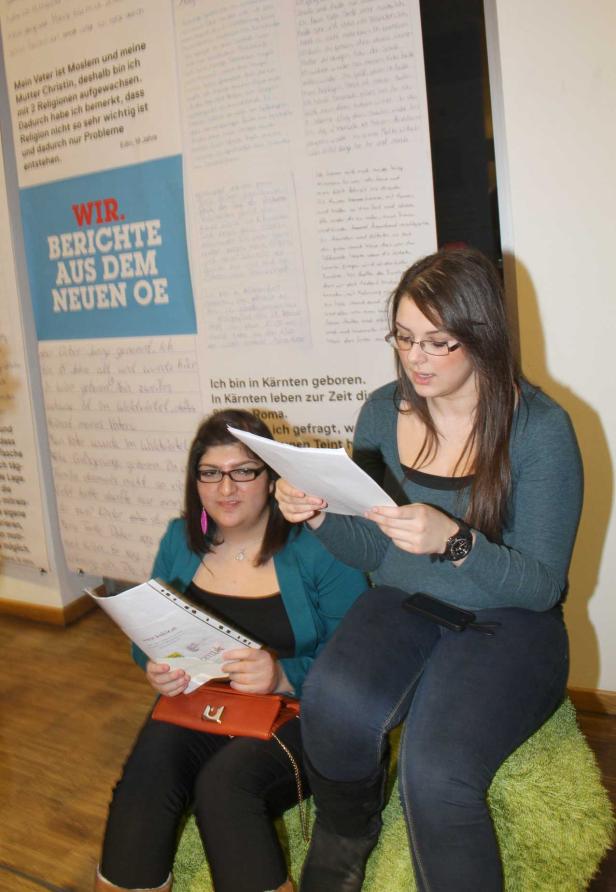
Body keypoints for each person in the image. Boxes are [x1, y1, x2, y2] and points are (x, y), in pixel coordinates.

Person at [276, 247, 584, 892]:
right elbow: (372, 552)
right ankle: (347, 831)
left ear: (481, 336)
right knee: (331, 703)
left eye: (438, 343)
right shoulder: (382, 413)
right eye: (405, 337)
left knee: (435, 769)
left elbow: (541, 585)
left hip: (510, 623)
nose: (416, 358)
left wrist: (455, 541)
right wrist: (320, 517)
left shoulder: (540, 429)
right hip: (405, 602)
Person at [95, 409, 367, 892]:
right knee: (146, 778)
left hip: (301, 713)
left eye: (244, 472)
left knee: (224, 787)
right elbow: (150, 636)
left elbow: (361, 659)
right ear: (194, 480)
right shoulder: (179, 540)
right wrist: (155, 668)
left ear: (270, 478)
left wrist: (282, 675)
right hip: (203, 704)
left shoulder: (319, 547)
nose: (226, 489)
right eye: (210, 473)